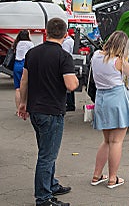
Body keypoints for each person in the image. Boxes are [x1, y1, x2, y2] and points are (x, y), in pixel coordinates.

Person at [17, 18, 79, 206]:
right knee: (47, 155)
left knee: (46, 150)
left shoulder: (32, 53)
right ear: (66, 33)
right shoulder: (63, 56)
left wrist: (23, 103)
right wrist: (76, 80)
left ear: (46, 31)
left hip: (36, 109)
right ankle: (43, 198)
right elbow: (70, 84)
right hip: (52, 111)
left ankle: (51, 184)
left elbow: (24, 81)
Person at [90, 31, 129, 189]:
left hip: (102, 99)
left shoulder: (96, 56)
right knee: (116, 141)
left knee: (106, 141)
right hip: (117, 99)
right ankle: (112, 178)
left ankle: (96, 175)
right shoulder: (119, 61)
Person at [12, 30, 34, 109]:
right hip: (25, 64)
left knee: (17, 88)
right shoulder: (30, 44)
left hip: (17, 65)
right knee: (26, 86)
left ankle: (18, 108)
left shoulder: (17, 43)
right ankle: (26, 107)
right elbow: (32, 54)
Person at [62, 32, 76, 111]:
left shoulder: (66, 43)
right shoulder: (70, 41)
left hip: (66, 66)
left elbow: (64, 55)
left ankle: (70, 104)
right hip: (70, 64)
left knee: (67, 86)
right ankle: (71, 104)